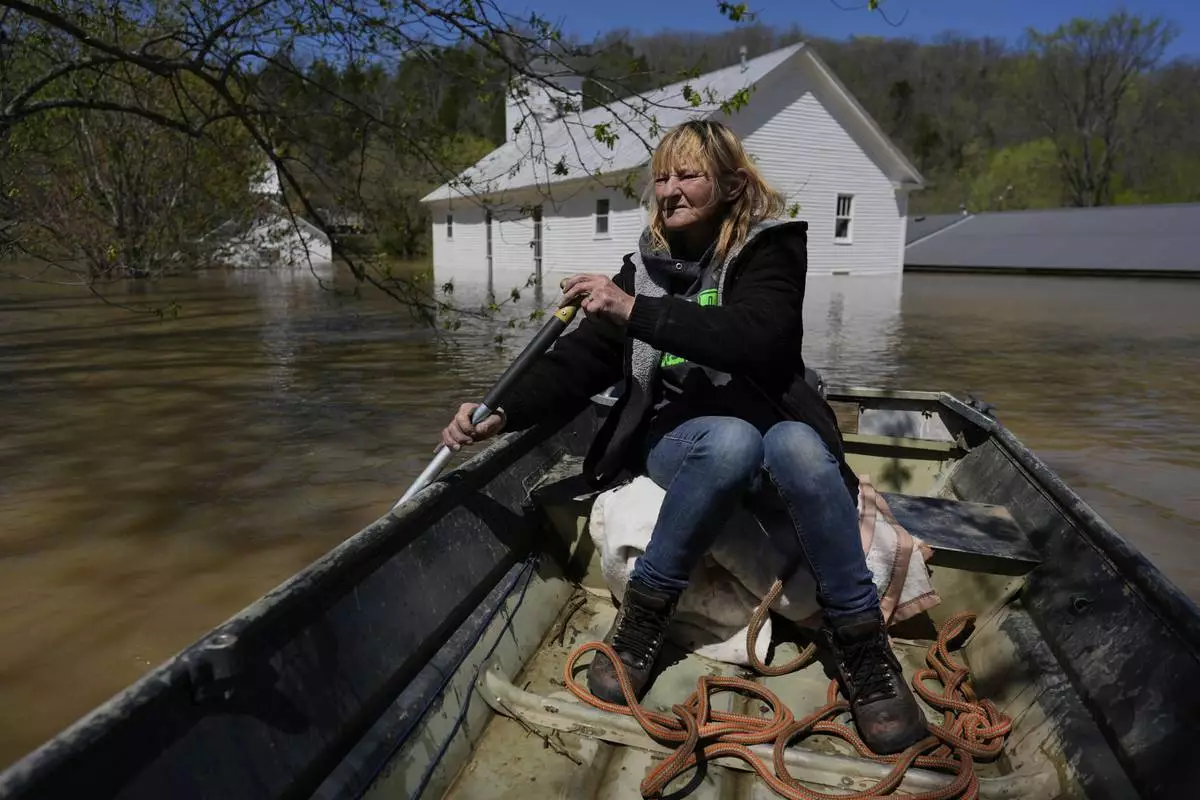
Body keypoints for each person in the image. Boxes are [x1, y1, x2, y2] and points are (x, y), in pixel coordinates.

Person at [439, 120, 927, 755]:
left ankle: (864, 648)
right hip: (685, 439)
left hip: (776, 431)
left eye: (687, 174)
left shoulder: (770, 250)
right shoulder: (639, 268)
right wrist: (503, 410)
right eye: (661, 176)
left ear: (728, 184)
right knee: (728, 440)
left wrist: (632, 310)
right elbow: (581, 360)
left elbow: (760, 336)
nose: (668, 190)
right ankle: (642, 621)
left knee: (801, 448)